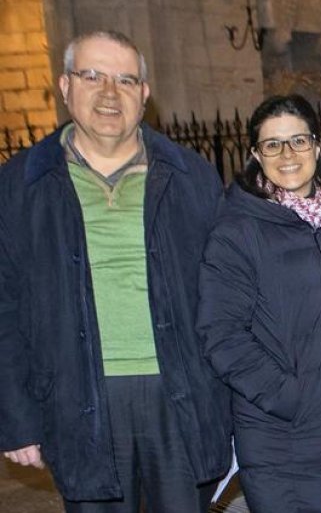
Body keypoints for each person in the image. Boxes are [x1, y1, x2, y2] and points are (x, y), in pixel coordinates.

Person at [0, 30, 231, 511]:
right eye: (92, 76)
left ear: (144, 94)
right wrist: (17, 418)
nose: (109, 93)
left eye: (125, 80)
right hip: (78, 394)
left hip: (179, 390)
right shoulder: (21, 184)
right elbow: (5, 305)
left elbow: (226, 293)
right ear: (65, 86)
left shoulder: (191, 177)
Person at [196, 95, 321, 513]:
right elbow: (221, 334)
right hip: (287, 439)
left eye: (299, 141)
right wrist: (291, 396)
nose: (287, 155)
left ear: (317, 146)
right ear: (255, 154)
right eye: (273, 144)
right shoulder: (238, 232)